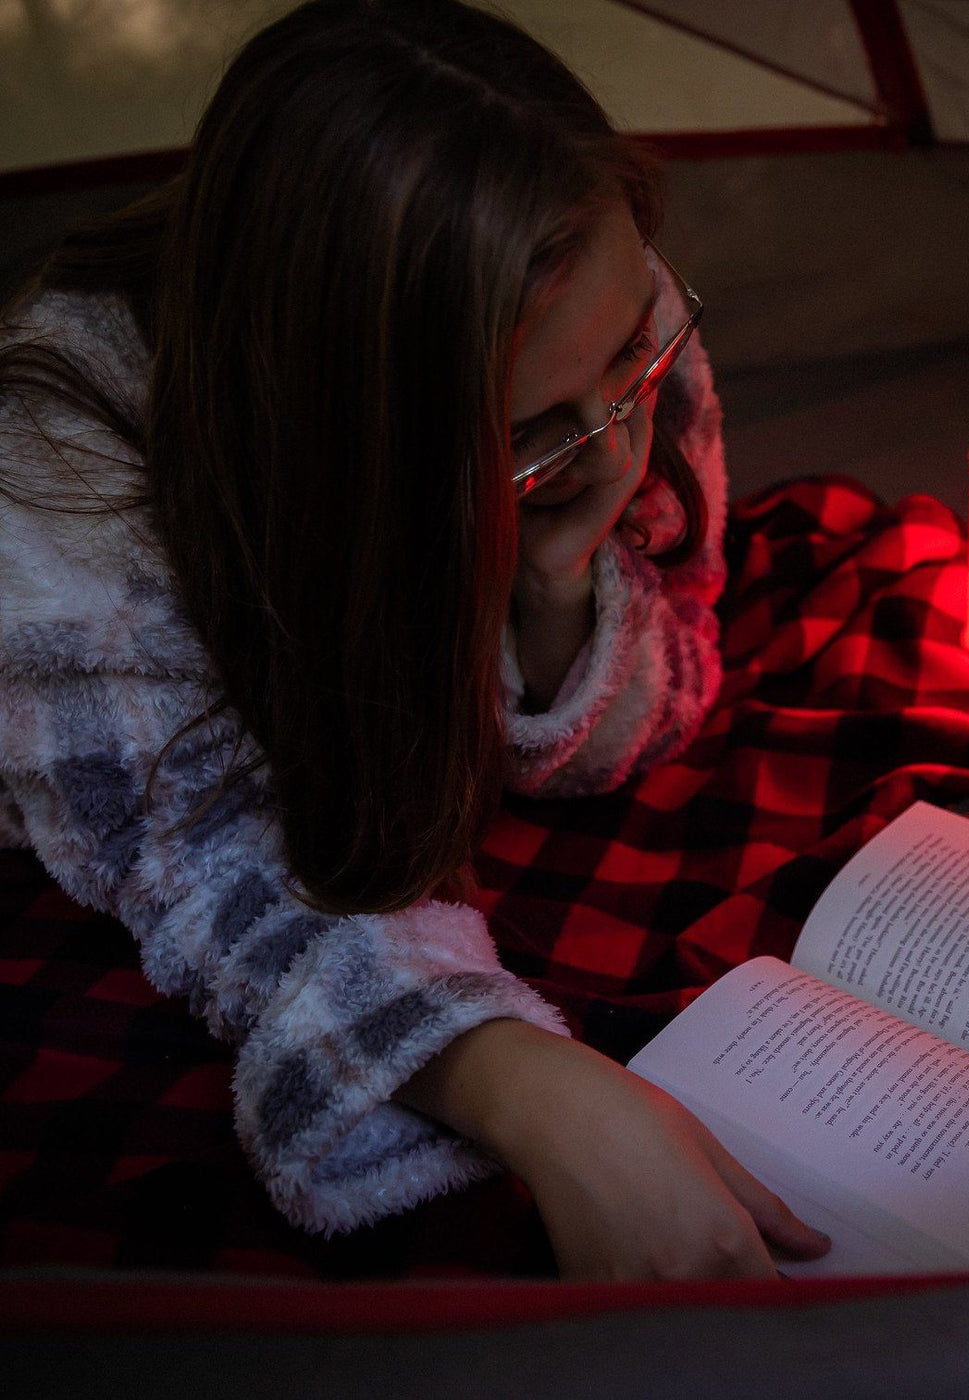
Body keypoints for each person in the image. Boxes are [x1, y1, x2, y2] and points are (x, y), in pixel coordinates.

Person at [0, 0, 829, 1280]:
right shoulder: (58, 459)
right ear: (351, 426)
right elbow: (211, 860)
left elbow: (673, 646)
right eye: (527, 430)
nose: (614, 445)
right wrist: (533, 1088)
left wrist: (556, 586)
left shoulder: (607, 317)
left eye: (630, 354)